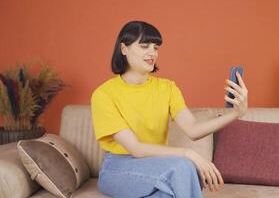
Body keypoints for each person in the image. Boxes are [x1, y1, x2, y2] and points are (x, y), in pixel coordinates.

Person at [91, 20, 248, 198]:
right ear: (124, 49)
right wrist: (188, 153)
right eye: (144, 46)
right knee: (183, 166)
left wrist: (236, 113)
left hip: (156, 165)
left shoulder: (167, 88)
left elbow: (193, 129)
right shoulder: (104, 94)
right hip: (118, 168)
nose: (152, 53)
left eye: (156, 47)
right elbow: (136, 148)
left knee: (172, 189)